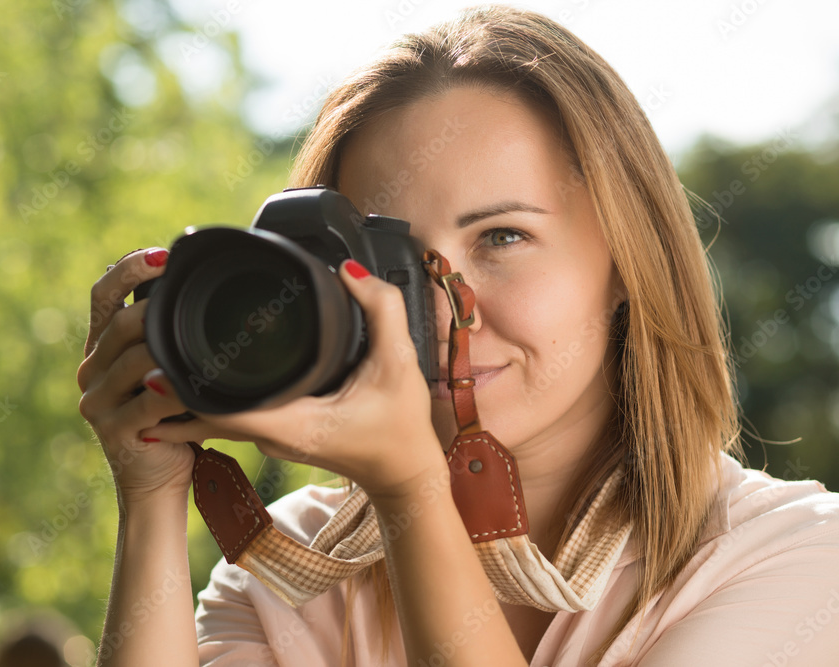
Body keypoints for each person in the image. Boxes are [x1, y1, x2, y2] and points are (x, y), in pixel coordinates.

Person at [76, 5, 839, 666]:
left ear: (627, 260)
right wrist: (150, 497)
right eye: (393, 259)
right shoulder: (287, 568)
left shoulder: (793, 558)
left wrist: (412, 489)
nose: (443, 313)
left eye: (502, 237)